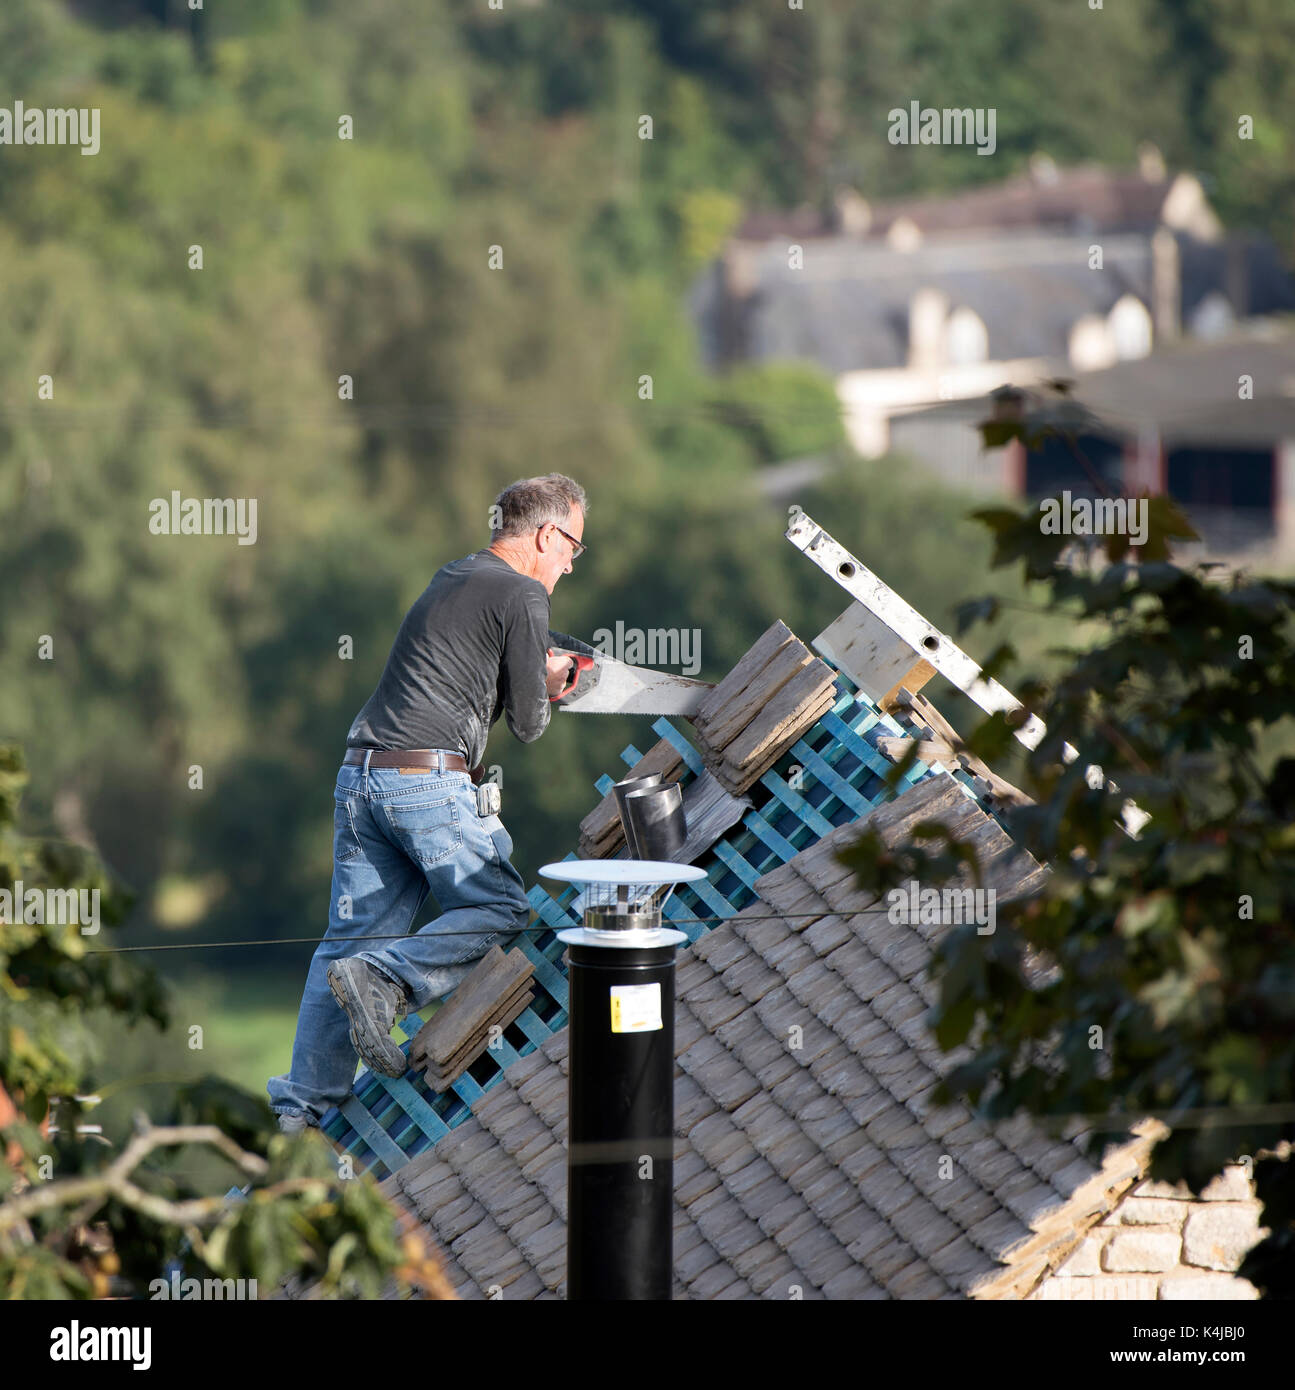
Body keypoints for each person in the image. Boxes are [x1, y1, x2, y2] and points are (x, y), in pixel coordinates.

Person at [268, 473, 592, 1133]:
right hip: (425, 780)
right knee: (499, 908)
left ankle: (302, 1111)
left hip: (361, 776)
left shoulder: (456, 575)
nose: (569, 563)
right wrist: (552, 679)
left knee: (347, 942)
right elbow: (529, 723)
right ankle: (387, 981)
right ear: (546, 533)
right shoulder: (525, 593)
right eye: (572, 548)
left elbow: (465, 671)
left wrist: (526, 664)